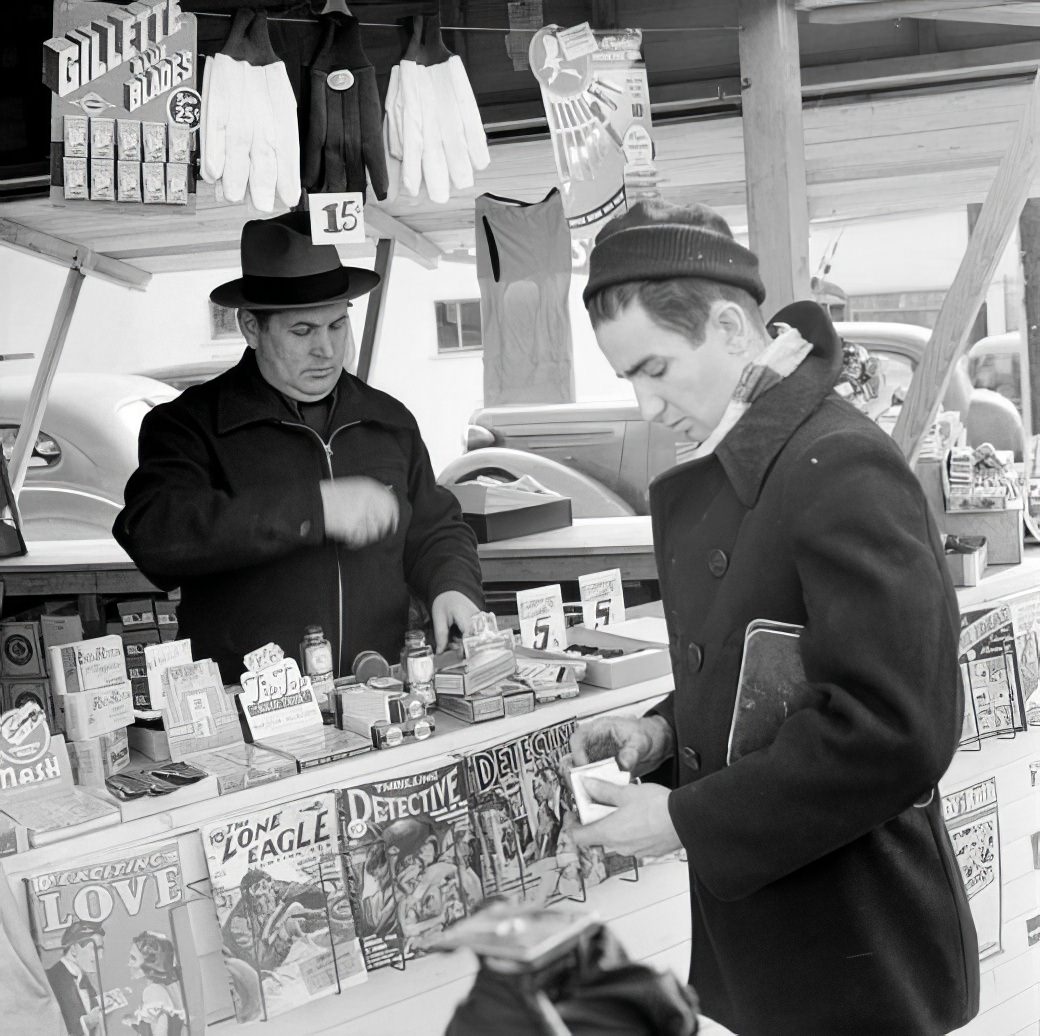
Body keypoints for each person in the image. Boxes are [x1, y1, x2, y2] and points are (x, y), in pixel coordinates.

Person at [569, 200, 980, 1036]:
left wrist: (687, 818)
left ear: (728, 327)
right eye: (628, 381)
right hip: (783, 928)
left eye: (654, 369)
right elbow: (767, 656)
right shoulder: (742, 458)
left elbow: (896, 729)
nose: (648, 407)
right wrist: (660, 732)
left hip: (859, 931)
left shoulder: (839, 465)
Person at [113, 211, 483, 682]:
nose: (326, 350)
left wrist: (451, 585)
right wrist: (314, 509)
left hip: (385, 689)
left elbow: (435, 528)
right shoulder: (189, 425)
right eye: (303, 332)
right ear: (251, 327)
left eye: (336, 326)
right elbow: (156, 539)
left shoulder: (388, 420)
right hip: (249, 708)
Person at [45, 920, 105, 1036]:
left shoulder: (85, 981)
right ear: (73, 950)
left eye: (102, 950)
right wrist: (86, 1022)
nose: (101, 957)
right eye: (95, 949)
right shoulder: (50, 979)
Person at [124, 931, 185, 1036]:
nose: (129, 963)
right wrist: (134, 1021)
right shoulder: (169, 984)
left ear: (150, 966)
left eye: (133, 958)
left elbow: (160, 1029)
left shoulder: (152, 991)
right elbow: (157, 1021)